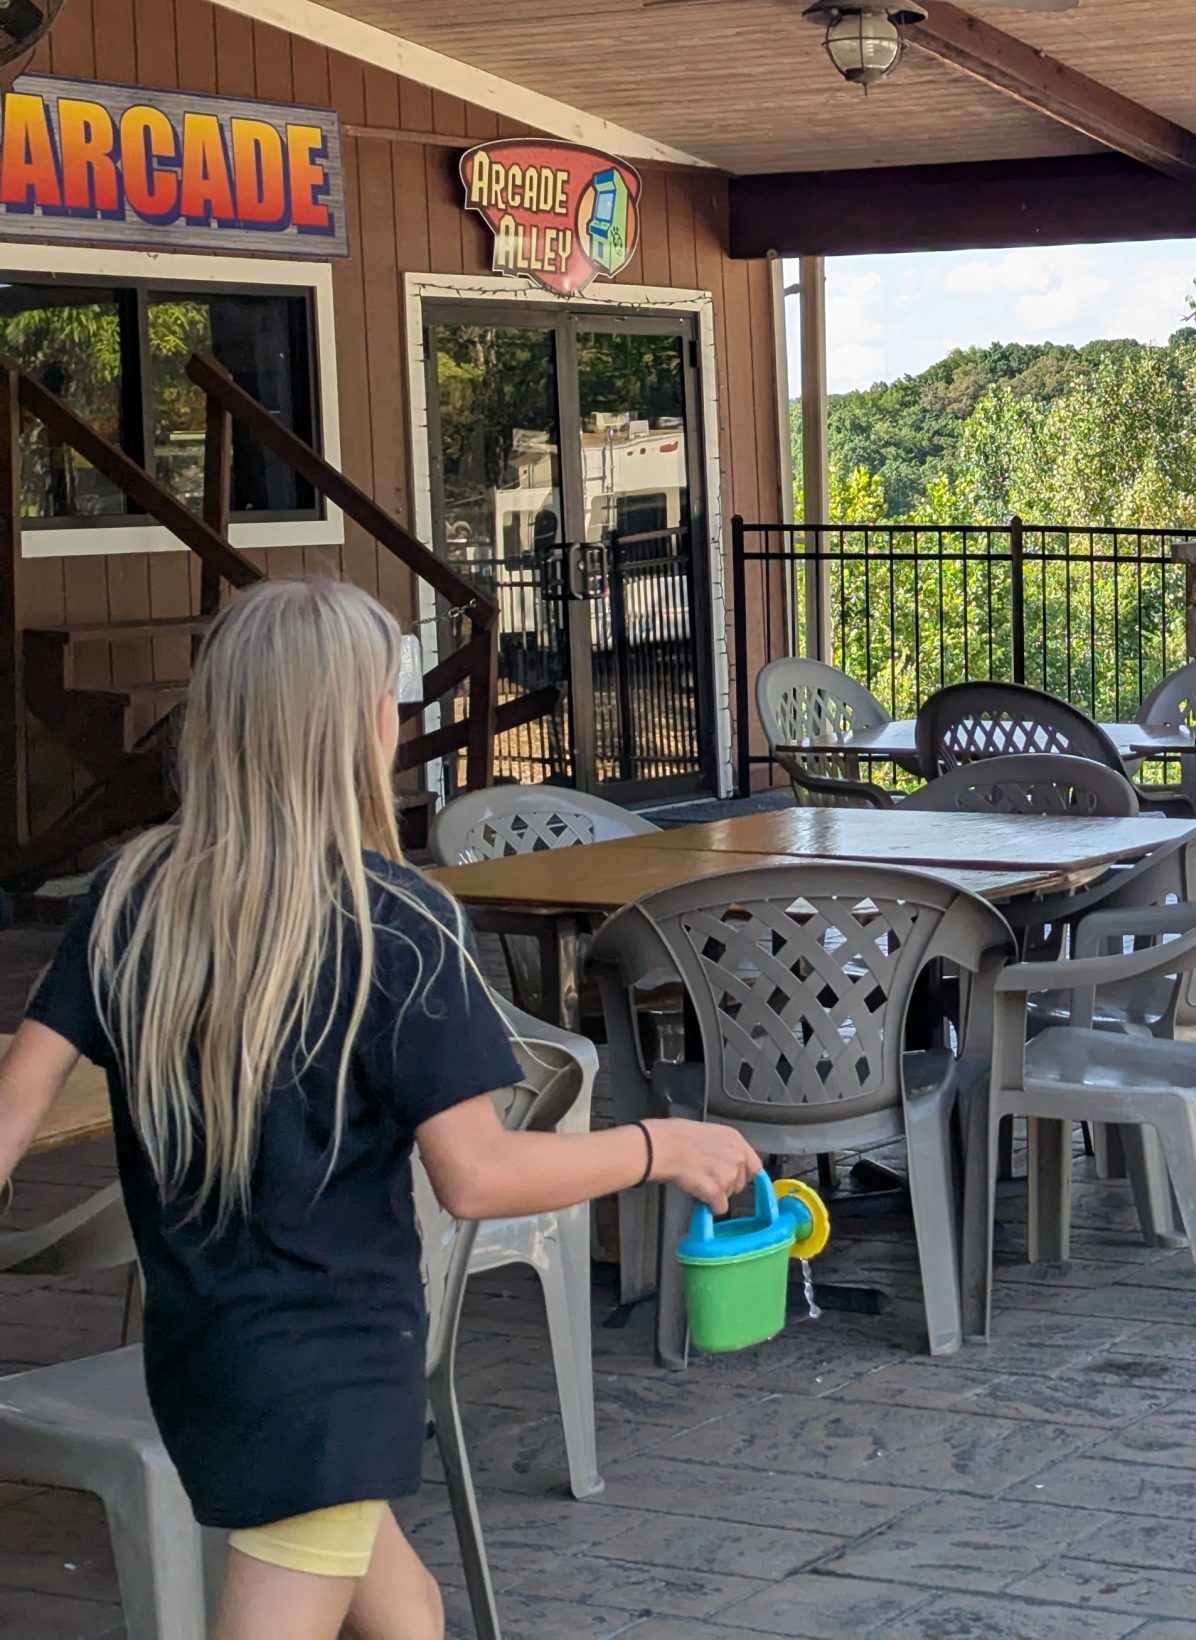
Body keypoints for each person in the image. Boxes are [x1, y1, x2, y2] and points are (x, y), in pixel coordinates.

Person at [0, 579, 760, 1640]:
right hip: (337, 1371)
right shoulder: (396, 924)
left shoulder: (131, 896)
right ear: (363, 727)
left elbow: (15, 1101)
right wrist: (659, 1144)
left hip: (204, 1356)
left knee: (407, 1612)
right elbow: (478, 1174)